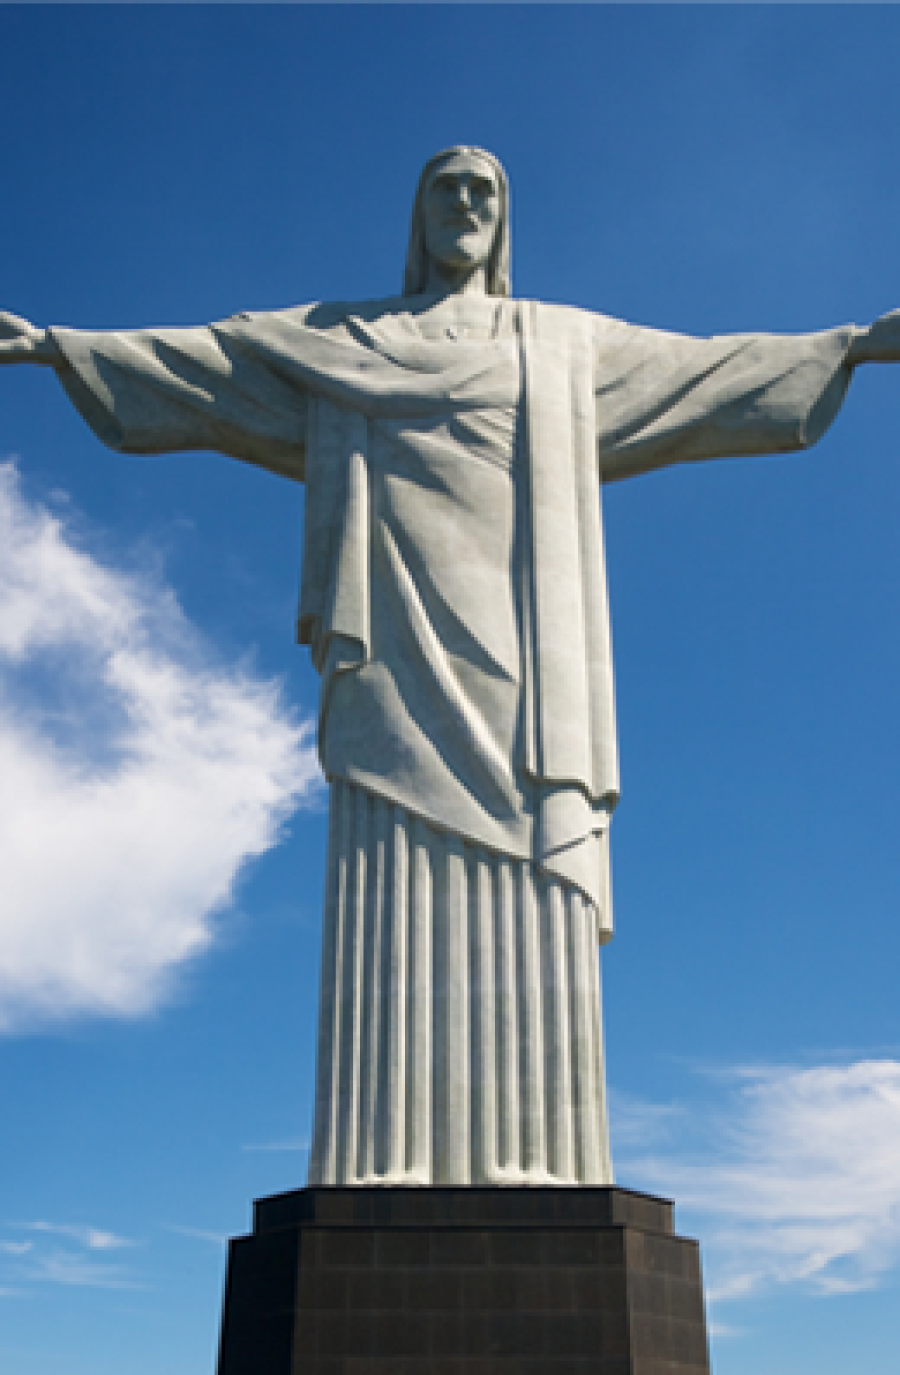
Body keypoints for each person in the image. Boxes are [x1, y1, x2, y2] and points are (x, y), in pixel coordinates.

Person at [2, 146, 899, 1188]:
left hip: (527, 660)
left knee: (531, 858)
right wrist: (60, 347)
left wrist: (848, 346)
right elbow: (209, 362)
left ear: (505, 218)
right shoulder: (346, 340)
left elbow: (708, 367)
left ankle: (548, 1161)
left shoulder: (562, 343)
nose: (465, 203)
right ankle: (378, 1159)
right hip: (391, 641)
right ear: (417, 214)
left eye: (485, 190)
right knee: (390, 865)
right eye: (446, 188)